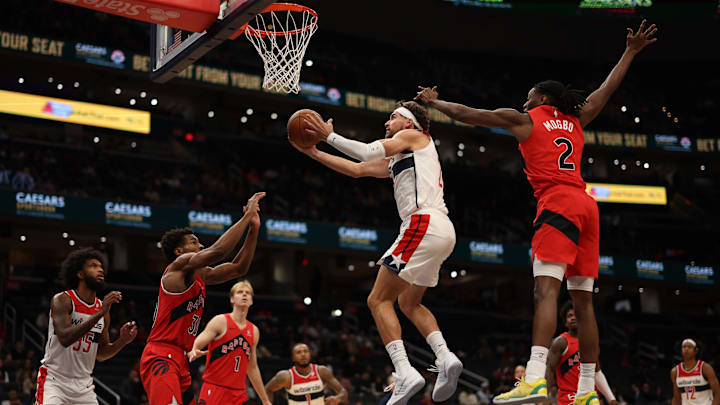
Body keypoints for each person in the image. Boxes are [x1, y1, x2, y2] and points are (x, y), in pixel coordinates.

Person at [415, 20, 658, 405]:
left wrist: (433, 102)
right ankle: (585, 394)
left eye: (529, 96)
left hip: (558, 203)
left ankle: (533, 378)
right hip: (586, 206)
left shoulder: (525, 119)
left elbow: (467, 114)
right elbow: (606, 90)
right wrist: (630, 51)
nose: (524, 100)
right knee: (583, 302)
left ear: (541, 98)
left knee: (545, 290)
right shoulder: (578, 119)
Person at [293, 101, 462, 405]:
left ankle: (404, 371)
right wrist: (313, 152)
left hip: (422, 222)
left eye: (393, 117)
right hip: (442, 230)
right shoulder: (405, 155)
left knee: (377, 299)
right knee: (410, 303)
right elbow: (358, 169)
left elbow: (368, 151)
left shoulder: (416, 137)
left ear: (410, 124)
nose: (387, 122)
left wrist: (329, 135)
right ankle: (446, 358)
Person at [139, 192, 265, 405]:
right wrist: (245, 217)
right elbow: (218, 251)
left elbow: (238, 268)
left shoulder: (200, 276)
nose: (201, 246)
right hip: (161, 355)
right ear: (180, 251)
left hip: (180, 358)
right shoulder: (177, 268)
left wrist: (254, 228)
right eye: (195, 243)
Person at [35, 248, 138, 405]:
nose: (100, 270)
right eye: (93, 266)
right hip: (55, 381)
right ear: (80, 274)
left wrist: (122, 341)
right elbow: (65, 338)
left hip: (84, 385)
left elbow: (101, 353)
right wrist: (98, 313)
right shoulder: (63, 300)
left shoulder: (102, 310)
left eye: (101, 266)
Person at [187, 280, 272, 405]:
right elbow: (196, 344)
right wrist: (193, 350)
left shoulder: (254, 331)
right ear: (232, 299)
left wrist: (265, 400)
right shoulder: (220, 321)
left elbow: (252, 367)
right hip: (215, 388)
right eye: (240, 292)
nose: (244, 295)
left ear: (252, 300)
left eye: (248, 293)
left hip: (238, 394)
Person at [545, 303, 617, 405]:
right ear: (566, 322)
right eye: (569, 316)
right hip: (569, 397)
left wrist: (611, 399)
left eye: (576, 315)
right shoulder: (560, 342)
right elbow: (549, 370)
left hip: (589, 396)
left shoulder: (590, 342)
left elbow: (596, 372)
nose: (573, 318)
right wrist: (546, 396)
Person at [264, 343, 348, 405]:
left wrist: (337, 398)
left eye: (306, 351)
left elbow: (343, 392)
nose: (303, 354)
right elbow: (267, 390)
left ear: (310, 355)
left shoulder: (322, 371)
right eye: (299, 352)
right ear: (293, 357)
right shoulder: (286, 376)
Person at [670, 339, 720, 405]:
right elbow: (676, 398)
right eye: (684, 347)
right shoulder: (675, 371)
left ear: (696, 350)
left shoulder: (705, 368)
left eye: (689, 347)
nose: (686, 349)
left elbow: (717, 393)